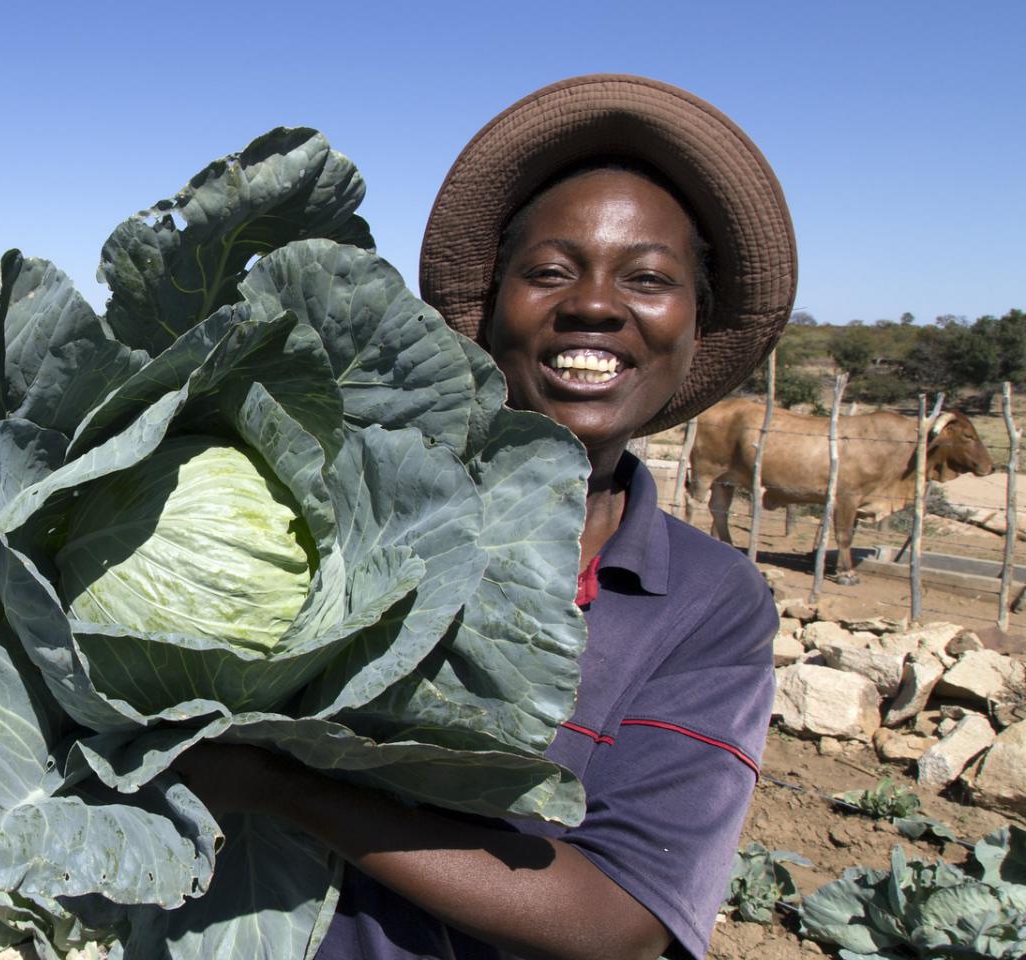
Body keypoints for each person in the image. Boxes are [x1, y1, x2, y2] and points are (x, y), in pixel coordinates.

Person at [175, 74, 797, 959]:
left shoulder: (707, 602)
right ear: (491, 305)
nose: (594, 305)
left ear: (695, 328)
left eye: (649, 279)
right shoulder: (322, 490)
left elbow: (622, 920)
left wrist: (280, 786)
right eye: (548, 271)